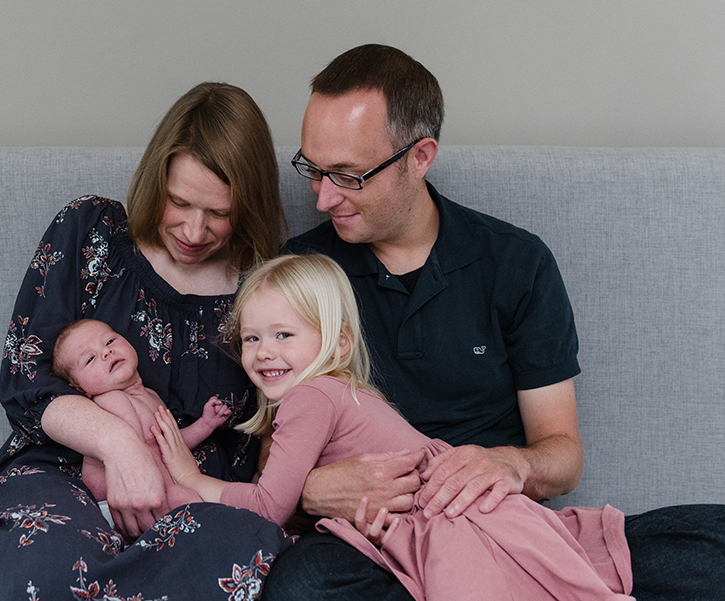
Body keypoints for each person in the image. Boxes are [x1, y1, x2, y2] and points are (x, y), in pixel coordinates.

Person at [264, 44, 725, 601]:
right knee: (302, 587)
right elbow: (267, 454)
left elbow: (562, 453)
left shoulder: (515, 262)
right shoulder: (300, 273)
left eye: (347, 175)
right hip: (373, 539)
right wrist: (312, 490)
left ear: (420, 156)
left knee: (714, 545)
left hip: (502, 523)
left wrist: (510, 466)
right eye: (313, 170)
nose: (322, 198)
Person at [0, 82, 293, 600]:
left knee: (253, 561)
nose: (194, 230)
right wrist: (121, 446)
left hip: (194, 495)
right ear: (156, 180)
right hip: (68, 472)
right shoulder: (91, 230)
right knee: (54, 562)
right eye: (179, 202)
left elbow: (295, 412)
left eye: (219, 213)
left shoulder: (270, 284)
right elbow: (26, 378)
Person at [152, 253, 634, 600]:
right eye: (251, 338)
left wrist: (191, 481)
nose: (264, 352)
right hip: (444, 511)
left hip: (447, 513)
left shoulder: (310, 397)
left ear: (339, 344)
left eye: (284, 334)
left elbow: (268, 505)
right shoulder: (340, 390)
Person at [50, 317, 231, 506]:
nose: (106, 352)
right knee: (192, 498)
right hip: (121, 502)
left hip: (154, 490)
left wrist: (205, 424)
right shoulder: (110, 401)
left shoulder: (149, 395)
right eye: (90, 359)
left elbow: (171, 447)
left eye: (110, 341)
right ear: (80, 388)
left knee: (200, 495)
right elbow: (135, 458)